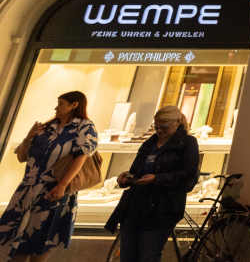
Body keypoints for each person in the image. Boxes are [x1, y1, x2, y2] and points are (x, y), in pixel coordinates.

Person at [0, 91, 98, 261]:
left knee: (40, 244)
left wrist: (62, 185)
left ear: (74, 105)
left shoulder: (84, 127)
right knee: (13, 245)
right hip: (27, 190)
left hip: (53, 191)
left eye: (61, 103)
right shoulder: (47, 127)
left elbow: (81, 157)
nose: (56, 107)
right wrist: (29, 137)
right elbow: (22, 157)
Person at [105, 106, 199, 262]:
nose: (159, 130)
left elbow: (188, 175)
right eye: (156, 126)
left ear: (177, 123)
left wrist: (157, 179)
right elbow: (136, 170)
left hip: (163, 208)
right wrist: (127, 178)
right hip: (135, 206)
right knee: (127, 255)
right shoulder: (150, 142)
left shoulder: (187, 143)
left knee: (149, 254)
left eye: (164, 127)